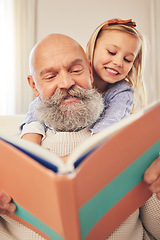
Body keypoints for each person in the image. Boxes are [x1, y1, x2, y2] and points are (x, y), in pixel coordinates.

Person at [0, 33, 160, 240]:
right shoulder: (9, 153)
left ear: (91, 73)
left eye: (76, 70)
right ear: (33, 85)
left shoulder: (131, 144)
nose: (66, 83)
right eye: (50, 76)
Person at [20, 18, 144, 143]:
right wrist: (30, 140)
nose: (118, 62)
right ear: (92, 48)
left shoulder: (122, 92)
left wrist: (85, 152)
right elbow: (37, 107)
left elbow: (110, 122)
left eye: (127, 59)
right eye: (111, 52)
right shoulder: (56, 94)